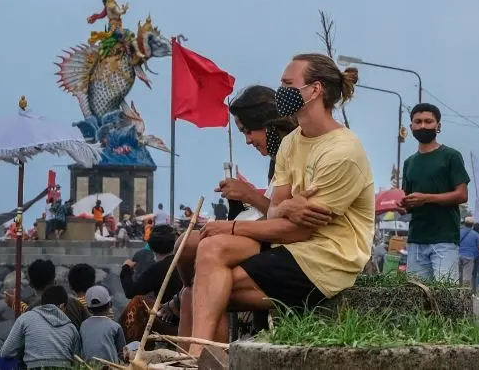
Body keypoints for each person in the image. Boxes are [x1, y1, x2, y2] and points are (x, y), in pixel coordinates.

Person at [188, 54, 374, 357]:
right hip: (292, 246)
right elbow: (276, 211)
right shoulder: (292, 142)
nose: (280, 91)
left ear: (314, 90)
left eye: (288, 84)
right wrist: (287, 208)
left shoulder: (343, 152)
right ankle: (197, 357)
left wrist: (235, 224)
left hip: (327, 259)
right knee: (211, 249)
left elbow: (295, 232)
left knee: (211, 287)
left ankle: (201, 357)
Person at [166, 84, 302, 338]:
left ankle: (188, 311)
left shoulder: (294, 153)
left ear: (269, 123)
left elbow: (282, 215)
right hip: (258, 232)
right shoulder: (277, 157)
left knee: (187, 247)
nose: (248, 140)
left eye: (249, 131)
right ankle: (191, 348)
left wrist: (249, 195)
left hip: (273, 241)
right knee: (189, 273)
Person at [398, 103, 469, 282]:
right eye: (418, 121)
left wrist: (426, 199)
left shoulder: (451, 156)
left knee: (444, 297)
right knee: (416, 295)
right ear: (411, 126)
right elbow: (408, 199)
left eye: (428, 121)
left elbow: (462, 195)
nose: (423, 126)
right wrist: (403, 206)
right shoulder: (409, 163)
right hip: (416, 239)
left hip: (444, 238)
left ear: (438, 126)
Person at [119, 225, 182, 342]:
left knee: (138, 301)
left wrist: (125, 269)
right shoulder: (182, 262)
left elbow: (131, 291)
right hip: (187, 317)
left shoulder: (158, 269)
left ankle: (129, 345)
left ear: (152, 248)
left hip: (171, 321)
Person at [0, 284, 80, 369]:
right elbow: (78, 360)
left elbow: (6, 352)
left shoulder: (26, 318)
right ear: (62, 306)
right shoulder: (71, 328)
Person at [80, 285, 126, 366]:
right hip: (110, 367)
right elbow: (122, 352)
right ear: (110, 305)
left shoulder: (83, 325)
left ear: (88, 309)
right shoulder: (115, 326)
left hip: (88, 367)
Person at [458, 217, 479, 293]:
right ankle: (465, 293)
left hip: (458, 256)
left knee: (459, 275)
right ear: (472, 225)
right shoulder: (475, 234)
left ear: (464, 223)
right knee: (467, 276)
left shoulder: (459, 232)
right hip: (469, 257)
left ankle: (458, 291)